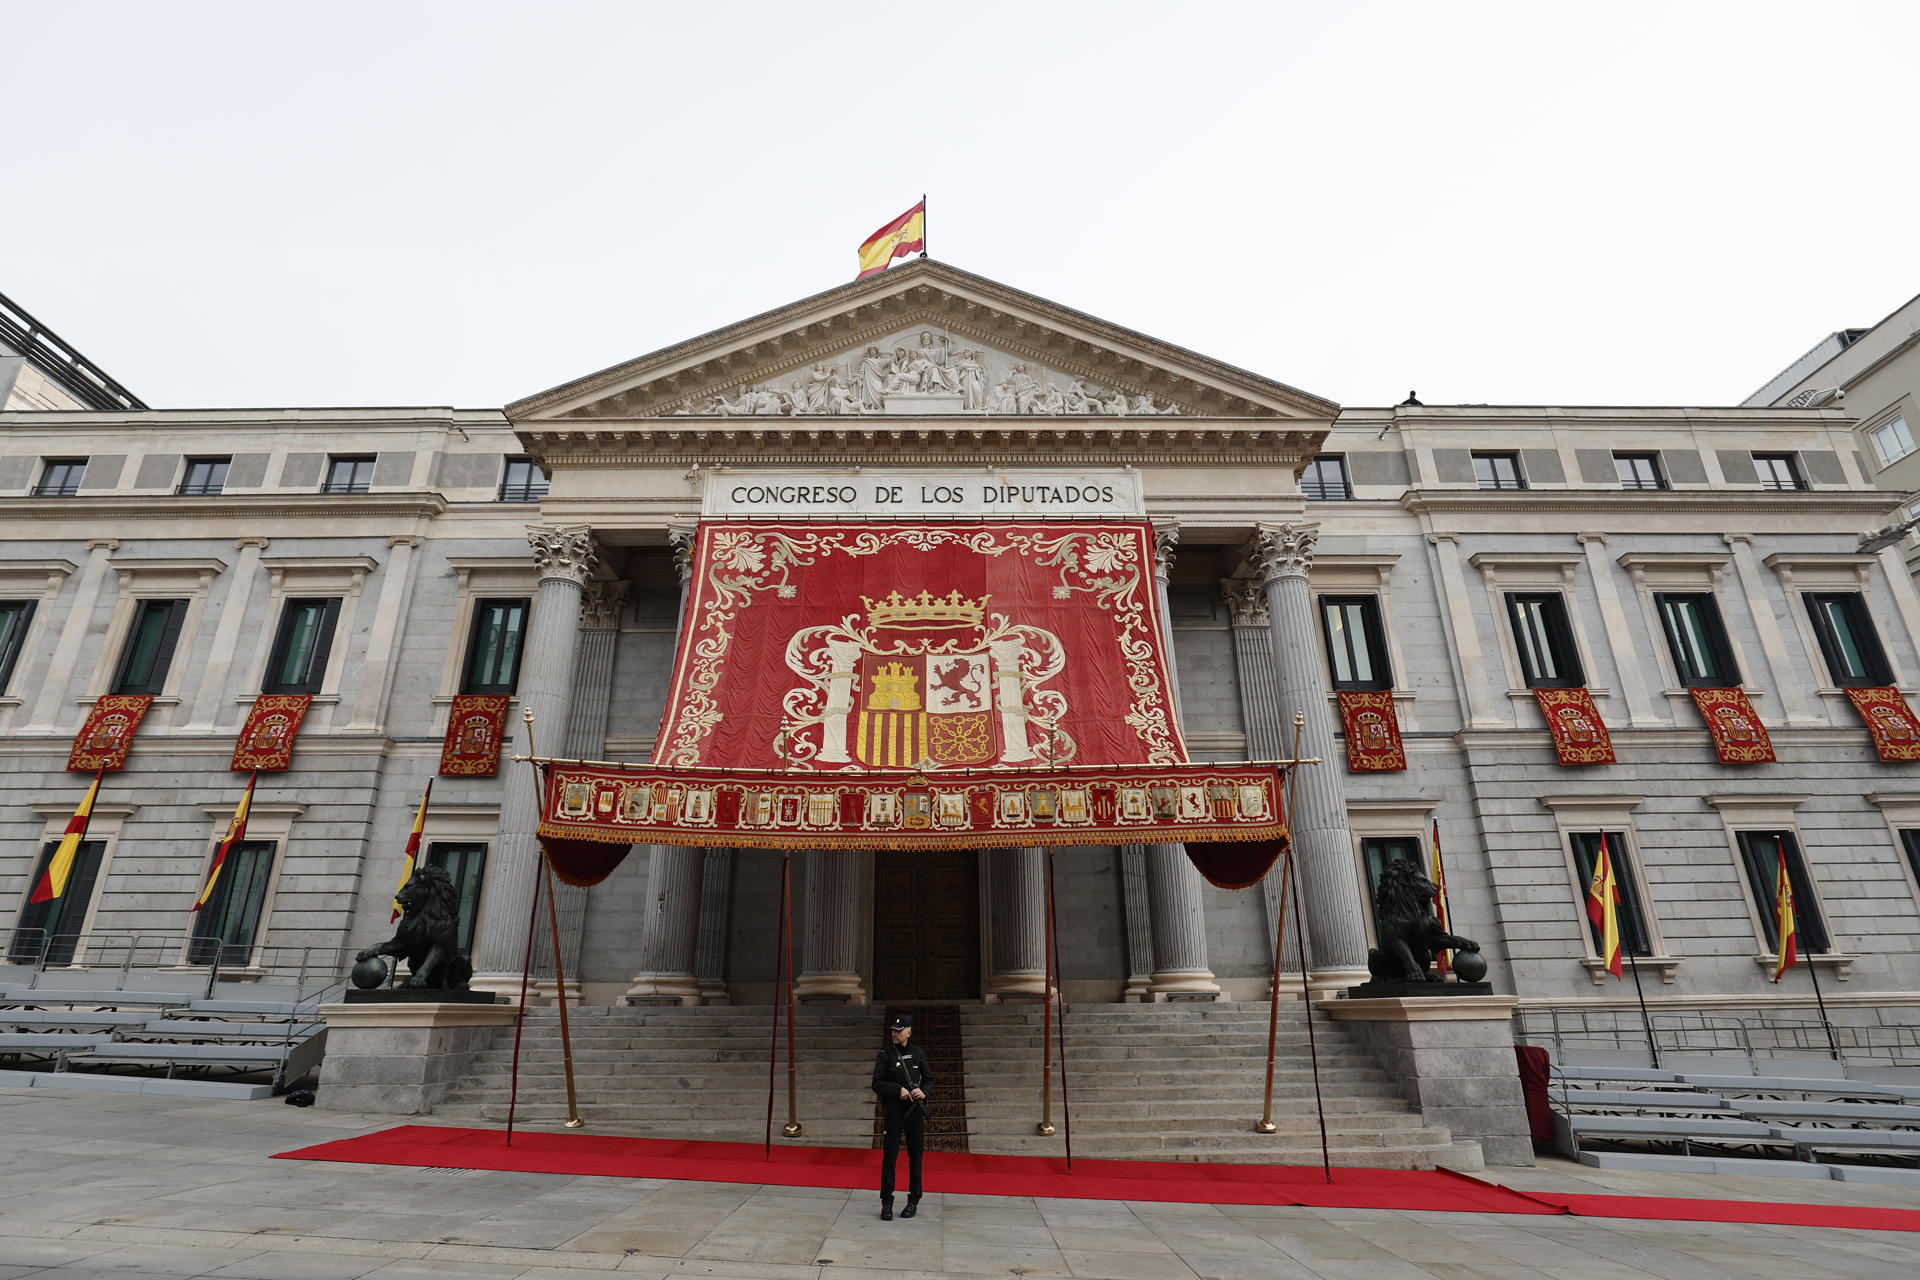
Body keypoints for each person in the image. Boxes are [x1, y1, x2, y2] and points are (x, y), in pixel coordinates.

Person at [871, 1012, 932, 1220]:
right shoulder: (885, 1055)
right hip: (895, 1110)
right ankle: (886, 1201)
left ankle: (913, 1199)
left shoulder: (918, 1054)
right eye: (893, 1030)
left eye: (899, 1030)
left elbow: (929, 1080)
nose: (895, 1033)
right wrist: (898, 1090)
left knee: (915, 1156)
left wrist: (923, 1092)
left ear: (909, 1032)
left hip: (914, 1110)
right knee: (890, 1155)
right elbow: (876, 1084)